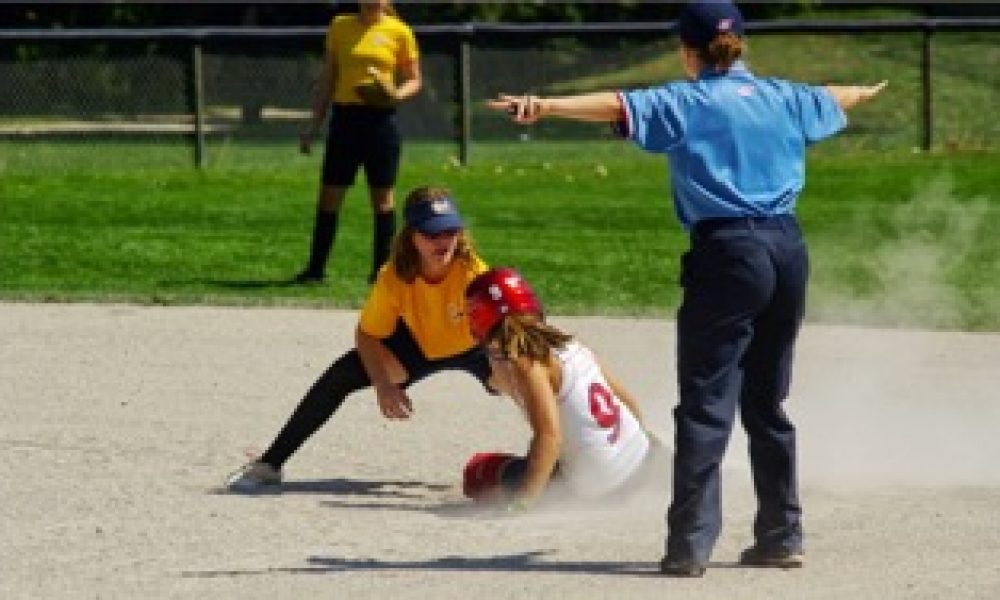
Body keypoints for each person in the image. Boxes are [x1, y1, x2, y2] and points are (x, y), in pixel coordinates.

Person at [487, 0, 886, 577]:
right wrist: (863, 91)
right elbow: (833, 97)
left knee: (705, 406)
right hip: (787, 252)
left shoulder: (688, 100)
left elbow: (615, 105)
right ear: (740, 44)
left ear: (687, 48)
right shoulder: (784, 96)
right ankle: (781, 533)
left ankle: (690, 546)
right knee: (767, 403)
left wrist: (543, 105)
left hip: (728, 255)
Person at [228, 185, 491, 490]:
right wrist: (382, 385)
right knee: (341, 375)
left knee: (529, 377)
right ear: (412, 236)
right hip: (417, 346)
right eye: (432, 234)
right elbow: (367, 334)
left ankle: (553, 463)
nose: (443, 242)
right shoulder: (394, 275)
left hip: (474, 345)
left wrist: (513, 369)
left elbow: (501, 327)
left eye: (449, 231)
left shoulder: (473, 271)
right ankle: (269, 465)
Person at [460, 267, 656, 511]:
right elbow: (625, 400)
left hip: (603, 487)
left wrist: (524, 502)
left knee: (479, 471)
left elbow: (549, 438)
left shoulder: (525, 362)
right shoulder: (567, 341)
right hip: (646, 458)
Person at [295, 0, 422, 284]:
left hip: (380, 121)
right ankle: (315, 270)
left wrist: (394, 94)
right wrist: (314, 124)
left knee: (383, 199)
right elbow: (328, 78)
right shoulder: (341, 26)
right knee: (329, 196)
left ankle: (381, 273)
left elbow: (414, 80)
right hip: (345, 120)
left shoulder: (399, 31)